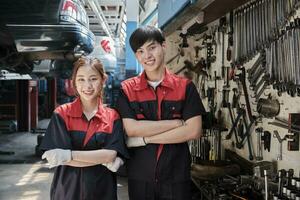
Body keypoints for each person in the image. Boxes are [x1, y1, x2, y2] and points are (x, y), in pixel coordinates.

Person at [116, 26, 206, 200]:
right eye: (141, 51)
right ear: (136, 56)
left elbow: (194, 131)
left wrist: (145, 139)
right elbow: (132, 129)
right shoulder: (127, 90)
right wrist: (175, 124)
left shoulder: (185, 87)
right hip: (140, 177)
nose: (147, 56)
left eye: (152, 47)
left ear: (164, 46)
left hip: (176, 177)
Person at [40, 56, 128, 200]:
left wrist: (68, 155)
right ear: (74, 81)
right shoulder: (62, 114)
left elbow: (110, 155)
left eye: (93, 79)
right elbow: (58, 158)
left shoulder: (113, 117)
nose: (87, 86)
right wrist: (100, 157)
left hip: (102, 191)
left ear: (103, 81)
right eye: (81, 79)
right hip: (67, 191)